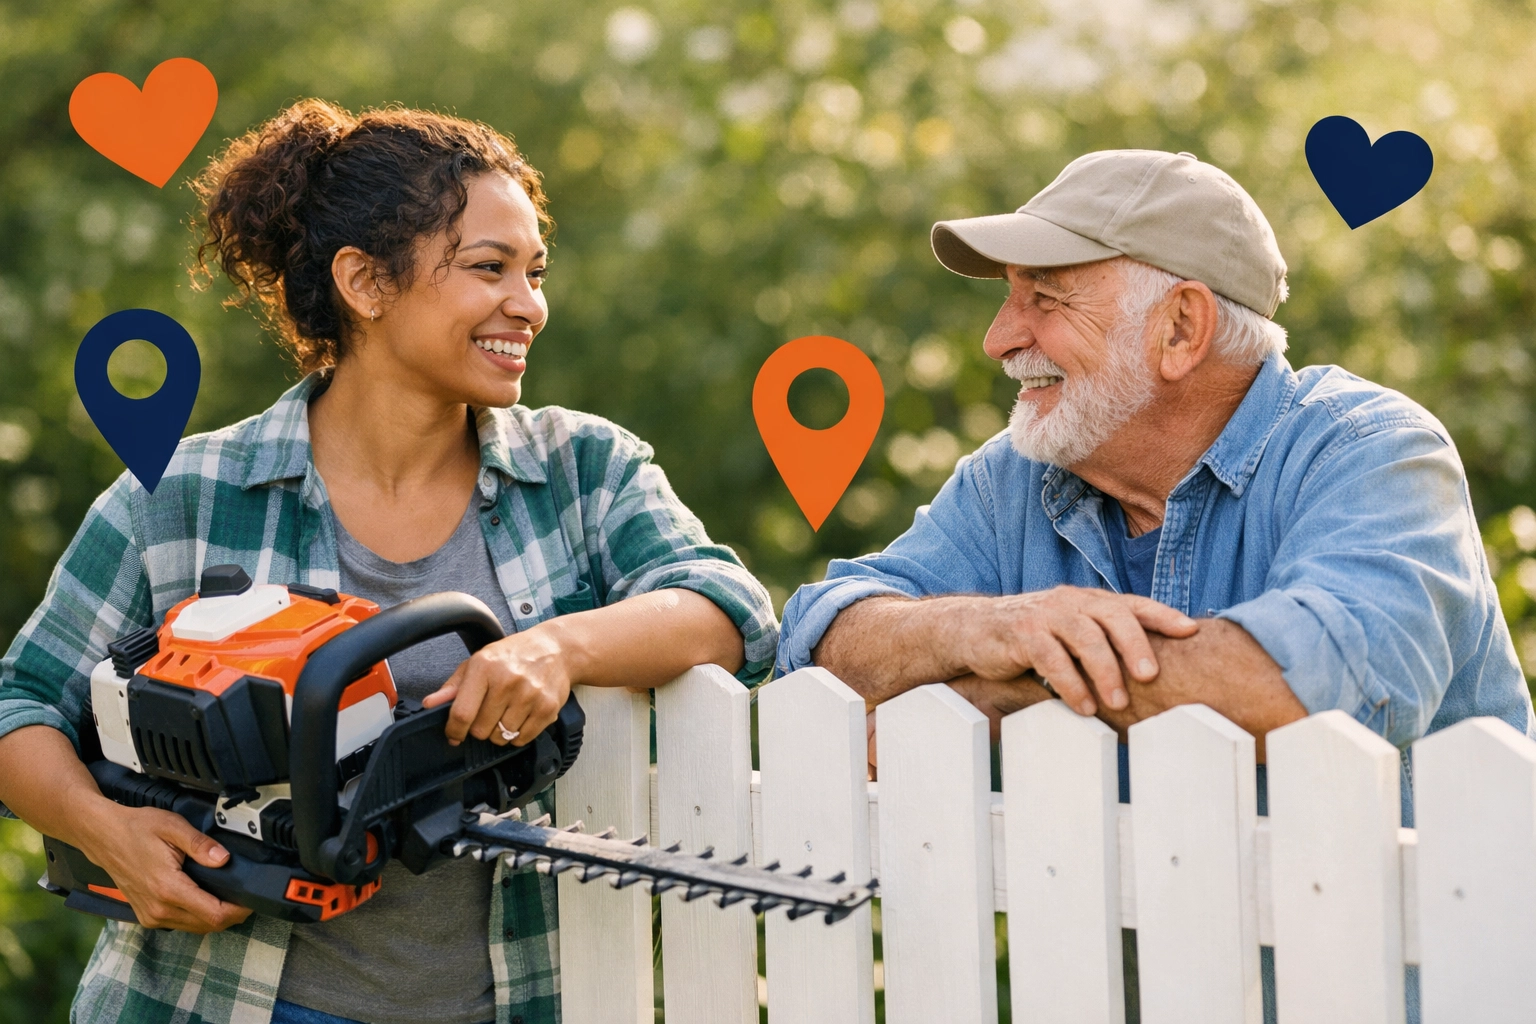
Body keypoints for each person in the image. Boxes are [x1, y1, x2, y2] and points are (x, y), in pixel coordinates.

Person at [0, 100, 776, 1024]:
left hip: (513, 1002)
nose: (529, 305)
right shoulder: (180, 497)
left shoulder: (581, 471)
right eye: (488, 268)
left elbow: (728, 610)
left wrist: (557, 648)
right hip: (218, 1000)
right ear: (366, 282)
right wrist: (105, 832)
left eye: (534, 272)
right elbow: (19, 703)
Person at [775, 149, 1531, 1020]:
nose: (1000, 337)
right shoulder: (1012, 479)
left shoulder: (1370, 448)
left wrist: (1014, 686)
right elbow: (824, 642)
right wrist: (986, 626)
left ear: (1181, 328)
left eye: (1045, 299)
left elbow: (1312, 689)